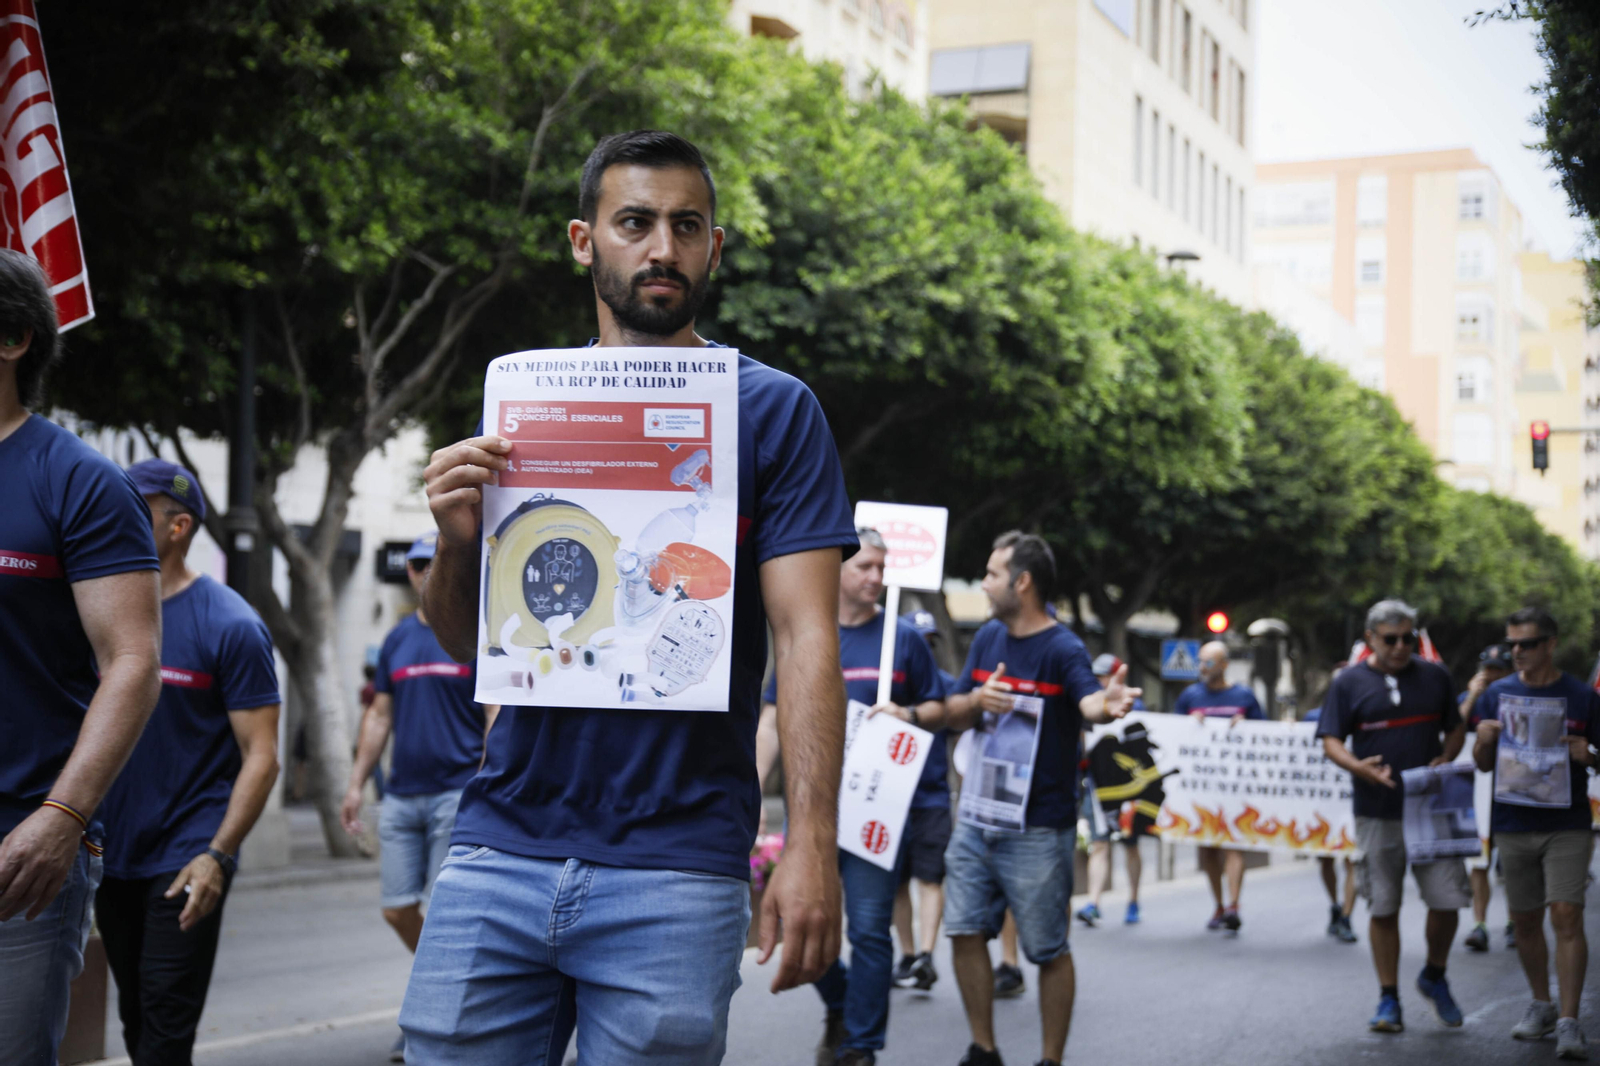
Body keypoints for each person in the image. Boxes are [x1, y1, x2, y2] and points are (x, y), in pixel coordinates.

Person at [401, 130, 859, 1066]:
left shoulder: (773, 410)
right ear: (584, 240)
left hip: (678, 865)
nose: (662, 249)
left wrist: (812, 844)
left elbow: (807, 636)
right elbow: (473, 640)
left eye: (687, 227)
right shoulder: (526, 406)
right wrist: (455, 547)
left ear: (715, 248)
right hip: (500, 846)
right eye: (635, 223)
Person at [0, 249, 163, 1066]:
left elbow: (133, 661)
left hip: (20, 848)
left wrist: (61, 819)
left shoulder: (80, 483)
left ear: (14, 338)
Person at [96, 460, 282, 1066]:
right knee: (133, 1020)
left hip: (186, 857)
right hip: (109, 852)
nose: (117, 518)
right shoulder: (104, 612)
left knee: (164, 1032)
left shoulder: (230, 624)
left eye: (137, 510)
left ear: (179, 527)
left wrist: (218, 855)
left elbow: (262, 757)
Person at [942, 531, 1138, 1066]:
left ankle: (1051, 1059)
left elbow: (1090, 702)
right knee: (962, 931)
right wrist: (977, 700)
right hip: (976, 820)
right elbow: (957, 706)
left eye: (991, 573)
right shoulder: (986, 639)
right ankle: (983, 1049)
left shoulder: (1062, 648)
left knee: (1047, 950)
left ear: (1021, 582)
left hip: (1039, 829)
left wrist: (1108, 703)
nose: (983, 583)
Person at [755, 530, 946, 1065]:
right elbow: (770, 720)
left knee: (868, 929)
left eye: (882, 568)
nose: (876, 578)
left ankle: (860, 1045)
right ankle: (840, 1002)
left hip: (875, 810)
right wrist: (752, 784)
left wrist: (908, 715)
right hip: (810, 805)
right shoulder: (807, 632)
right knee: (799, 921)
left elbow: (941, 708)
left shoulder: (902, 639)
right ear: (837, 568)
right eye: (865, 567)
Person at [340, 532, 497, 1062]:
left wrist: (485, 780)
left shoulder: (474, 635)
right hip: (403, 796)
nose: (425, 571)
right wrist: (356, 783)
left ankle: (429, 1017)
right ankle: (453, 996)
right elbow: (379, 715)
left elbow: (492, 716)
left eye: (435, 561)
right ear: (407, 572)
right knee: (396, 909)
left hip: (458, 792)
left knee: (442, 912)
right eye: (416, 565)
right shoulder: (397, 640)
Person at [1317, 599, 1469, 1034]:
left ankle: (1434, 975)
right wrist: (1358, 767)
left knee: (1447, 901)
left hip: (1433, 809)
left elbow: (1454, 727)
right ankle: (1388, 999)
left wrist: (1445, 756)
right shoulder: (1348, 683)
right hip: (1376, 811)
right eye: (1391, 639)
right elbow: (1331, 740)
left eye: (1409, 638)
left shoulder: (1436, 676)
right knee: (1383, 906)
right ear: (1371, 640)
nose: (1402, 646)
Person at [1473, 607, 1600, 1059]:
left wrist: (1591, 754)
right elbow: (1483, 764)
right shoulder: (1496, 695)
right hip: (1512, 822)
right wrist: (1484, 741)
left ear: (1550, 644)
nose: (1517, 653)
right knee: (1525, 920)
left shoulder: (1583, 697)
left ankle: (1568, 1021)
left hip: (1566, 824)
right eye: (1512, 645)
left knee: (1565, 913)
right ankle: (1541, 1005)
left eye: (1526, 644)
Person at [1173, 641, 1264, 932]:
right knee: (1209, 849)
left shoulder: (1244, 696)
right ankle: (1219, 905)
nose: (1202, 668)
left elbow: (1265, 735)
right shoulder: (1190, 696)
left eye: (1208, 663)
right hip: (1202, 788)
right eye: (1200, 662)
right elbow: (1172, 735)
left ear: (1224, 665)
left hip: (1235, 785)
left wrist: (1246, 725)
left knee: (1233, 843)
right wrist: (1189, 723)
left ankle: (1234, 905)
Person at [890, 610, 955, 993]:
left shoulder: (946, 686)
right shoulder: (887, 686)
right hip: (890, 796)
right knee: (898, 883)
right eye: (919, 640)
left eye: (930, 642)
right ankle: (908, 955)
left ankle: (927, 956)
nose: (924, 648)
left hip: (931, 796)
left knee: (930, 878)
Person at [1076, 654, 1148, 928]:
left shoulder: (1135, 705)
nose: (1099, 681)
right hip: (1099, 787)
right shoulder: (1090, 704)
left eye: (1103, 675)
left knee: (1131, 844)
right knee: (1100, 843)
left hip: (1128, 789)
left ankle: (1133, 899)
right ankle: (1094, 903)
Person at [1459, 642, 1515, 954]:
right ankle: (1479, 925)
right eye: (1488, 669)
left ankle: (1514, 922)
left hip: (1512, 794)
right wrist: (1471, 695)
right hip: (1478, 795)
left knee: (1511, 864)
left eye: (1499, 670)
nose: (1492, 675)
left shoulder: (1519, 694)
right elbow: (1452, 726)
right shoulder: (1474, 697)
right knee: (1479, 862)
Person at [1303, 699, 1358, 943]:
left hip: (1352, 800)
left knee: (1352, 860)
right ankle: (1335, 905)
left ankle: (1346, 916)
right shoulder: (1312, 717)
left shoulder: (1361, 713)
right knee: (1325, 859)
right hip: (1323, 802)